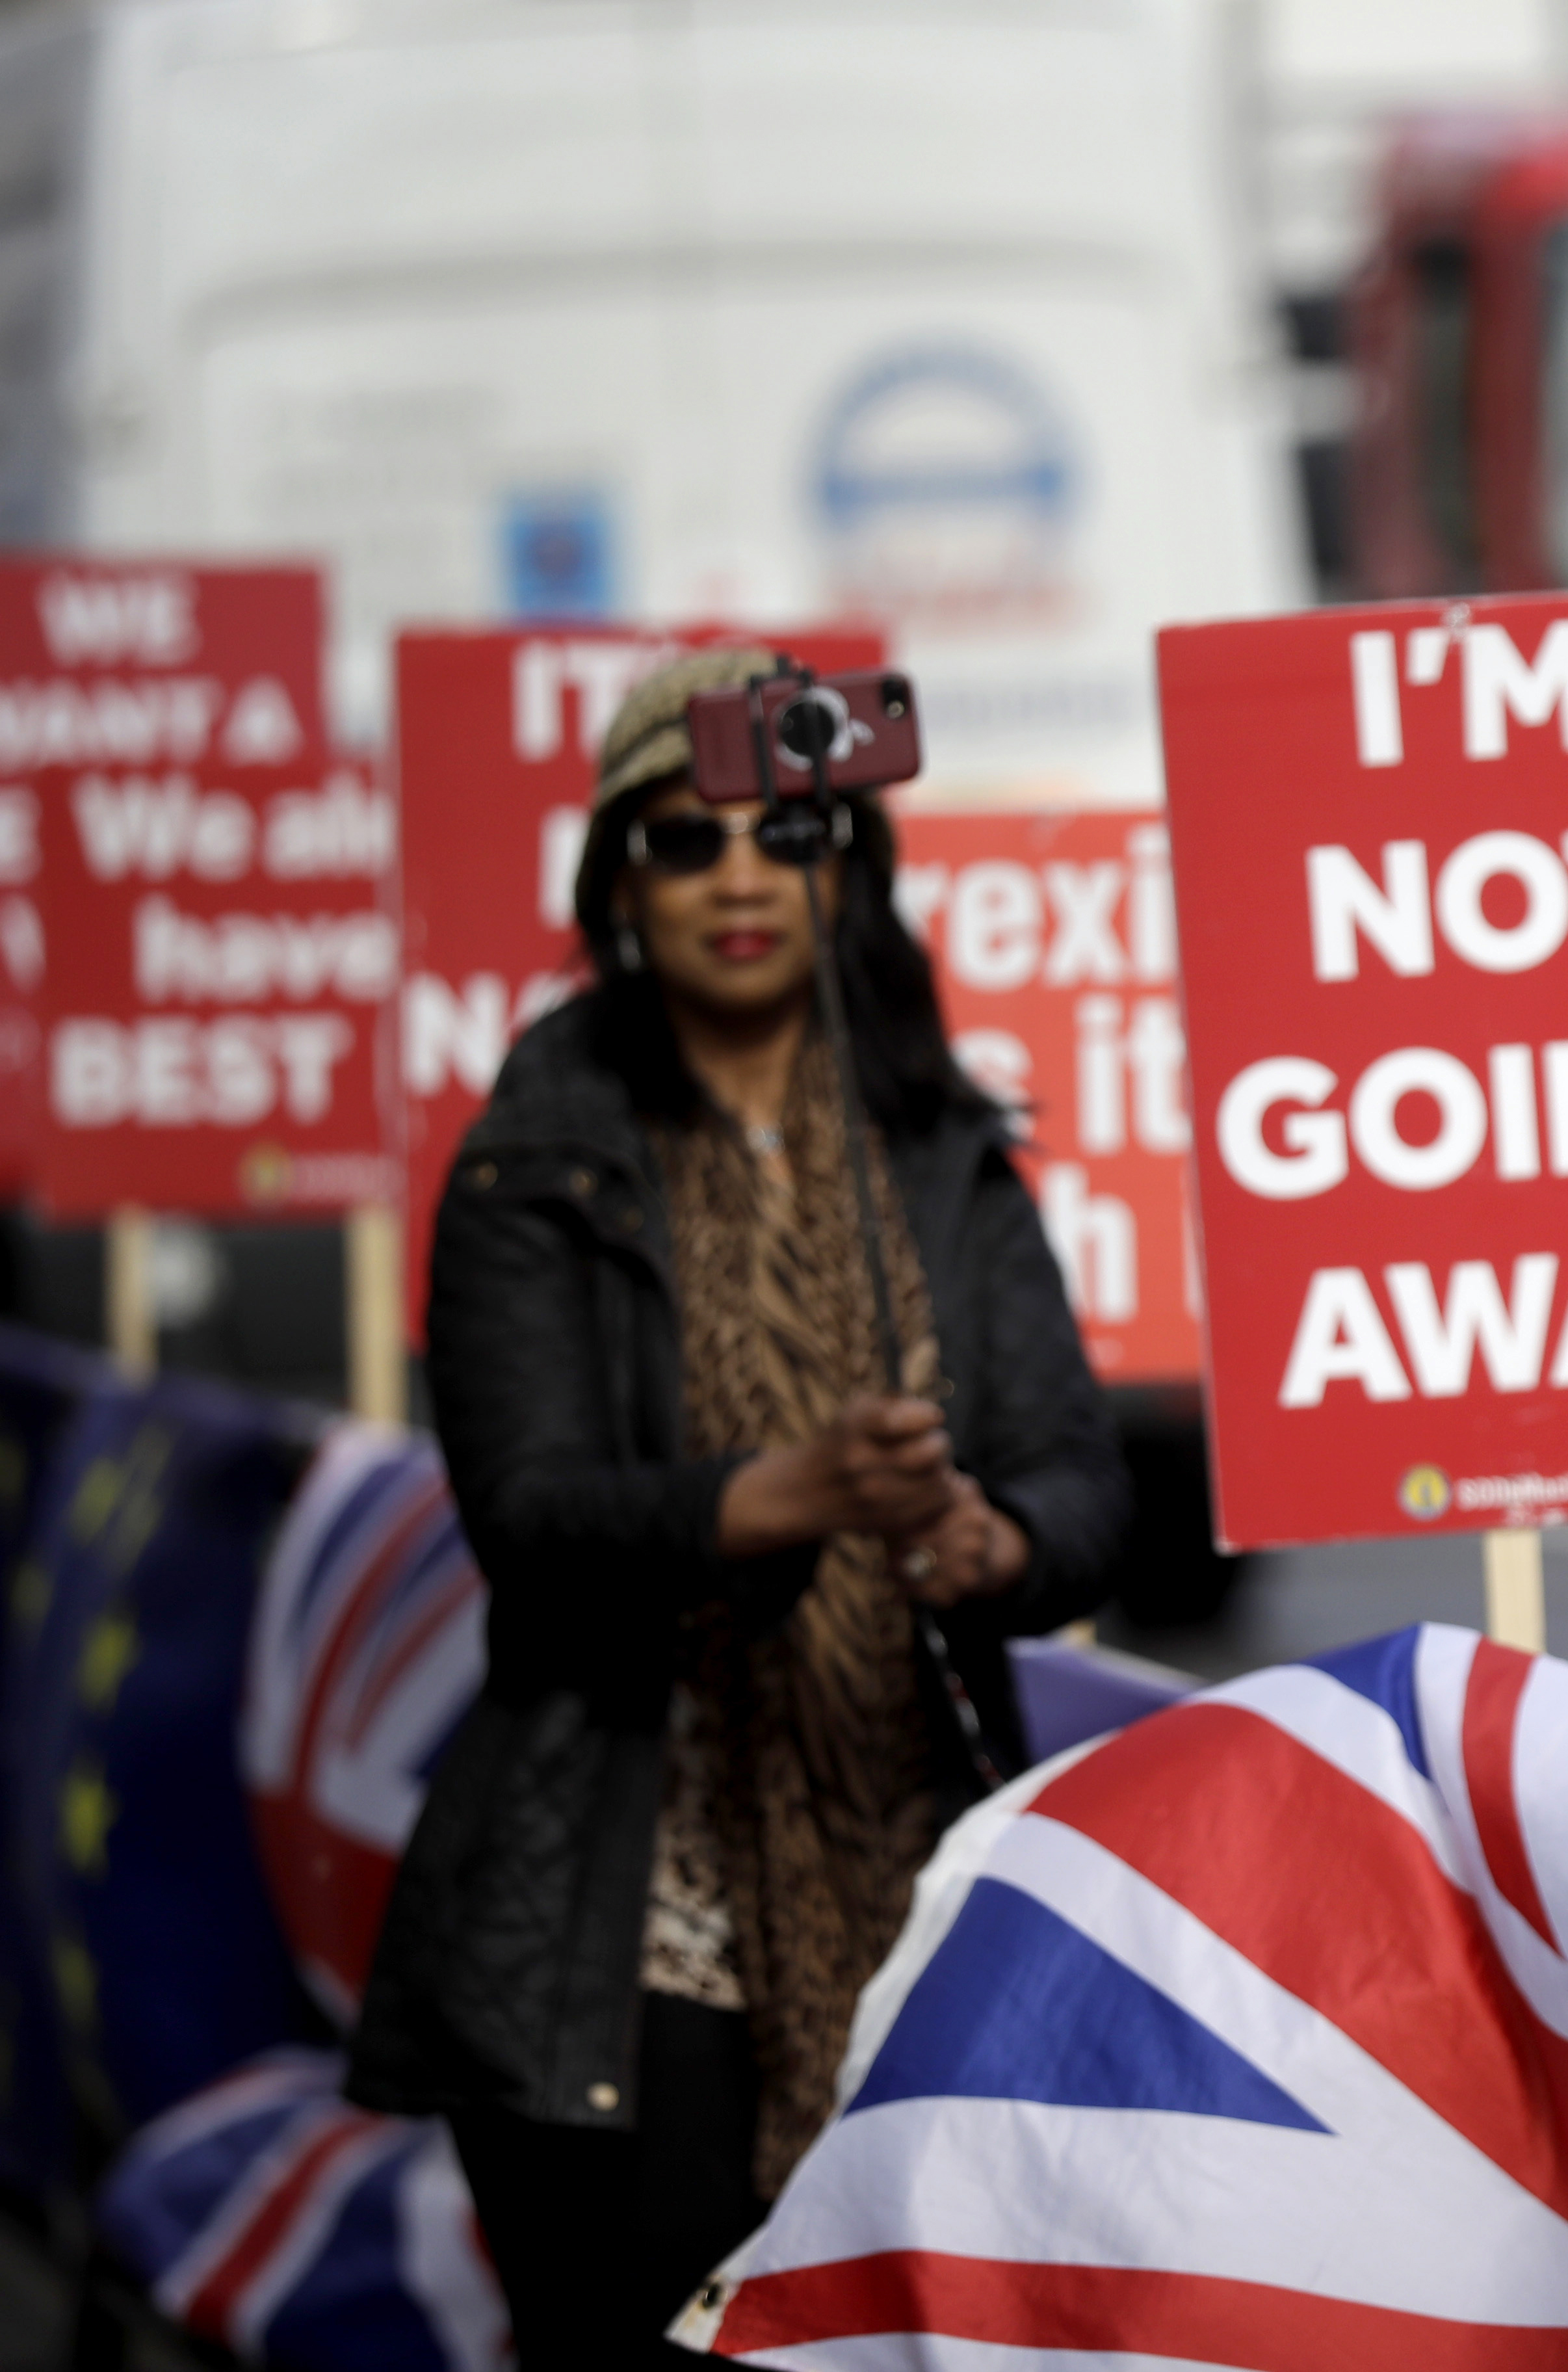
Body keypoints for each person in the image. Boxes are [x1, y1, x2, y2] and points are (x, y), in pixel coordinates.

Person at [348, 648, 1130, 2365]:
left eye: (786, 835)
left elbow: (1085, 1485)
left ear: (847, 867)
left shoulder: (941, 1153)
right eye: (683, 842)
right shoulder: (536, 1157)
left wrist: (984, 1540)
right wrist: (791, 1496)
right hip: (628, 1917)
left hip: (918, 1905)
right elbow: (532, 1524)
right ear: (618, 883)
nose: (740, 880)